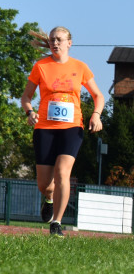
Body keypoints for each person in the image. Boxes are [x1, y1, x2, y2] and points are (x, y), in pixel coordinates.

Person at [20, 27, 104, 237]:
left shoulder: (80, 67)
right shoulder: (41, 66)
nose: (55, 43)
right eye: (51, 40)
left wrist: (96, 114)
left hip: (72, 127)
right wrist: (30, 112)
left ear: (69, 43)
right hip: (45, 129)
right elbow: (26, 97)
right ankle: (48, 199)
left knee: (62, 172)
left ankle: (56, 223)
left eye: (59, 39)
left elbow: (98, 95)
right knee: (45, 185)